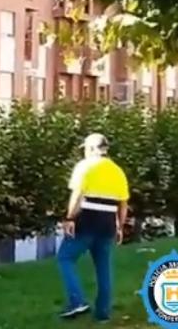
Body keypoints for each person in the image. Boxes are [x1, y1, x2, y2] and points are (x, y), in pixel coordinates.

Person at [57, 133, 129, 323]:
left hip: (86, 220)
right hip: (107, 224)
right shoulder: (117, 171)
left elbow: (78, 194)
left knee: (65, 257)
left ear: (90, 149)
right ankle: (103, 314)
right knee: (103, 267)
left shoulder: (84, 166)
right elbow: (123, 204)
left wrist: (69, 217)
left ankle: (77, 300)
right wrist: (120, 227)